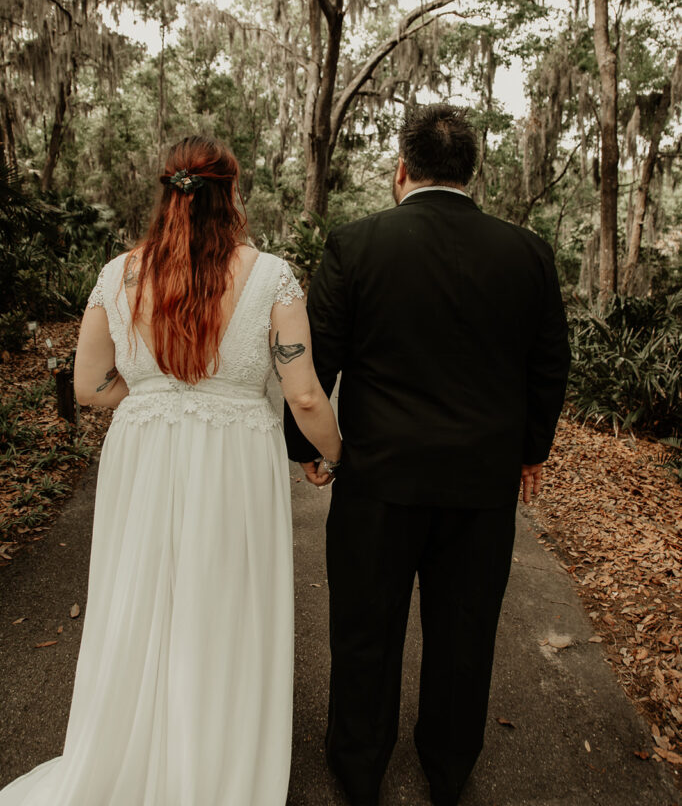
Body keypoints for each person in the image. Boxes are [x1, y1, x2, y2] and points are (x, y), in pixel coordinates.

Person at [0, 135, 341, 806]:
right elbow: (303, 394)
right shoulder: (271, 275)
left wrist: (159, 392)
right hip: (235, 457)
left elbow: (92, 386)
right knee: (225, 603)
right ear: (231, 193)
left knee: (142, 598)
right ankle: (213, 767)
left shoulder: (119, 273)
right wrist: (333, 451)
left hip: (145, 453)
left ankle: (129, 752)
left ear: (165, 190)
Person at [284, 104, 571, 806]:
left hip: (378, 480)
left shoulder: (357, 244)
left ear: (400, 170)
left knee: (365, 630)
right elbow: (549, 364)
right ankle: (448, 769)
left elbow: (318, 360)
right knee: (464, 633)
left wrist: (309, 449)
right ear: (472, 175)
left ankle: (359, 768)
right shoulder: (527, 252)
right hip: (480, 484)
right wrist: (531, 449)